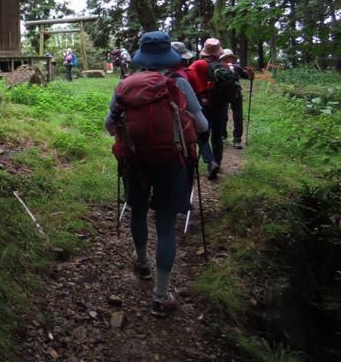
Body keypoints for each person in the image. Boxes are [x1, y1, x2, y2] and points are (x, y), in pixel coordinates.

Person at [105, 31, 208, 318]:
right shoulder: (179, 83)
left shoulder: (125, 85)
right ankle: (161, 296)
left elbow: (108, 125)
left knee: (137, 210)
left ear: (141, 58)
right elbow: (201, 125)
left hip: (136, 161)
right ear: (168, 58)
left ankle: (141, 263)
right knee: (165, 223)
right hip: (171, 161)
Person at [186, 38, 226, 180]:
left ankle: (210, 162)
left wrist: (199, 88)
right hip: (222, 104)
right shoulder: (224, 65)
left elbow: (188, 75)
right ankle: (218, 163)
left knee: (202, 134)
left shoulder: (198, 64)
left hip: (204, 104)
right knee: (217, 134)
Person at [219, 49, 255, 149]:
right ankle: (222, 135)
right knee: (223, 116)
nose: (229, 59)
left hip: (236, 94)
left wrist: (251, 74)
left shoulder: (237, 68)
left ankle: (237, 139)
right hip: (224, 94)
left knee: (238, 117)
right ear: (222, 59)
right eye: (227, 57)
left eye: (231, 57)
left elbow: (249, 78)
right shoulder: (219, 68)